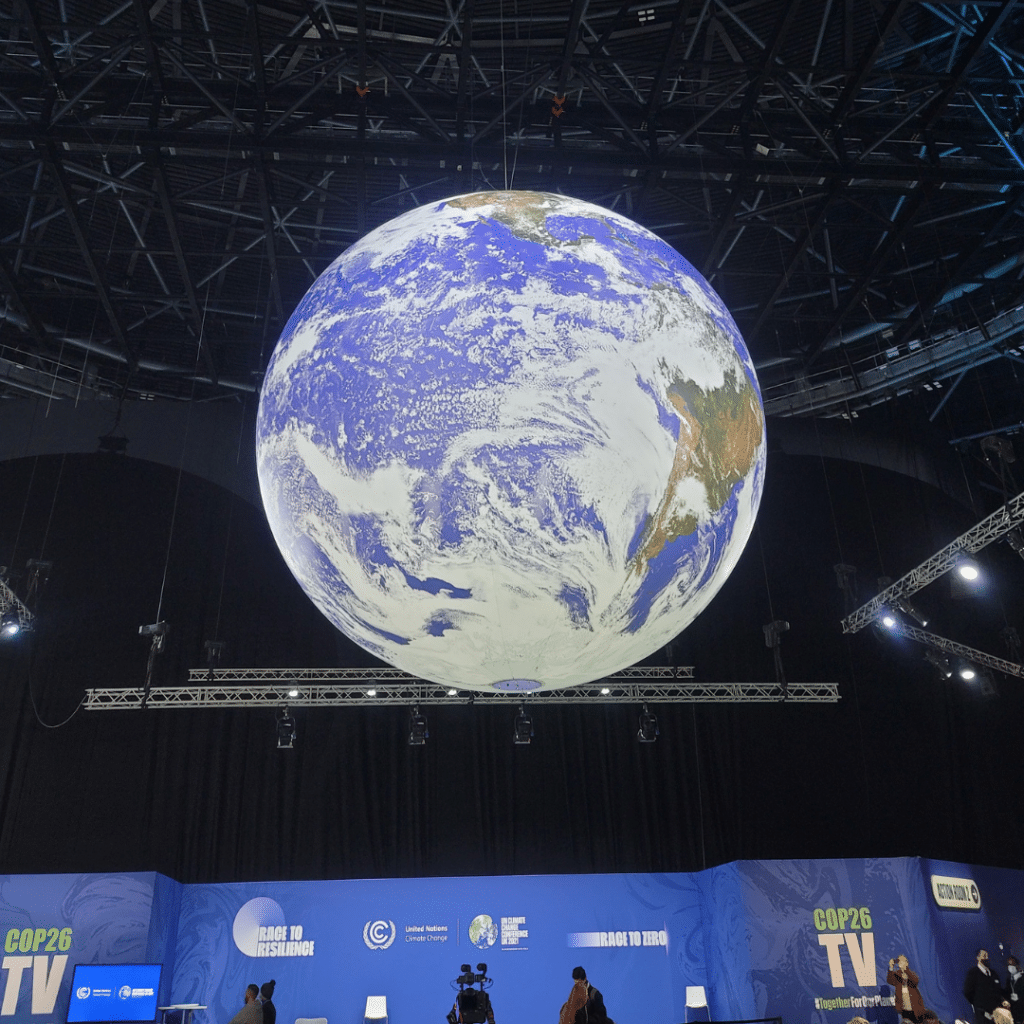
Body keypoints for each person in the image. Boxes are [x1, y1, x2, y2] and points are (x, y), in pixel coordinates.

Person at [965, 949, 1010, 1024]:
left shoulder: (993, 973)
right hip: (983, 1016)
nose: (987, 958)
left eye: (988, 956)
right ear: (978, 957)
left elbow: (998, 990)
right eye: (984, 956)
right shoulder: (973, 974)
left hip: (997, 1015)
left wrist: (1003, 1000)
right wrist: (982, 1011)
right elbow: (968, 994)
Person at [888, 954, 926, 1023]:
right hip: (904, 1008)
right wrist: (891, 967)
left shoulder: (911, 973)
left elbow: (915, 981)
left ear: (906, 963)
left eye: (902, 961)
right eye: (899, 961)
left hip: (915, 1007)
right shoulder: (897, 974)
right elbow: (890, 980)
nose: (900, 963)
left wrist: (905, 970)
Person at [1006, 958, 1024, 1024]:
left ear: (1017, 965)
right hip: (1013, 1013)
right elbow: (1007, 993)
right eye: (1008, 965)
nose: (1010, 967)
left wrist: (1019, 997)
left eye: (1012, 964)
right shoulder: (1009, 980)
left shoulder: (1022, 978)